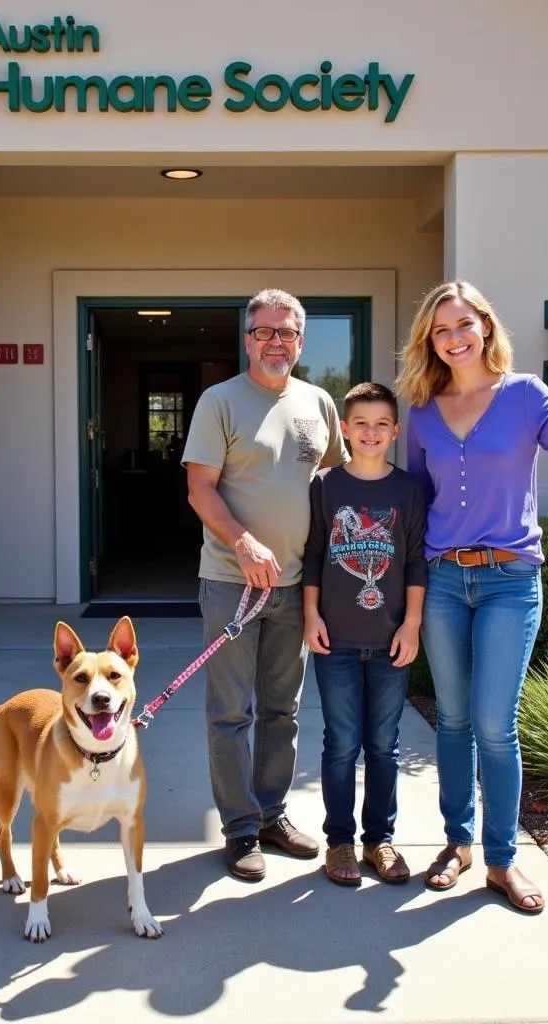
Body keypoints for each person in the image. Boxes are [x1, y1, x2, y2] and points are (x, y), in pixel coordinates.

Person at [395, 280, 548, 915]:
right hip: (442, 579)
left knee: (495, 725)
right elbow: (413, 501)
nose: (454, 337)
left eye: (464, 324)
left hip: (509, 581)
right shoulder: (420, 409)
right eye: (441, 330)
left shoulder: (524, 395)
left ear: (486, 327)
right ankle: (457, 843)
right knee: (454, 719)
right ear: (430, 341)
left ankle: (501, 861)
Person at [182, 287, 348, 881]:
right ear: (248, 339)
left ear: (300, 341)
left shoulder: (318, 402)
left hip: (298, 585)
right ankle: (241, 828)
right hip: (232, 582)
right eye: (265, 332)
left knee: (283, 710)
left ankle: (272, 813)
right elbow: (200, 488)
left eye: (287, 332)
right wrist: (243, 541)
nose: (276, 341)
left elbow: (335, 486)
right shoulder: (219, 402)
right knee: (231, 712)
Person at [302, 381, 426, 887]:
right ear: (344, 431)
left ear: (395, 431)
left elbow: (417, 559)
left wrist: (413, 624)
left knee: (384, 745)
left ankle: (380, 839)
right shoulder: (325, 486)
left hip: (392, 639)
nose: (370, 433)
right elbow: (312, 553)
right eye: (360, 424)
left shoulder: (409, 490)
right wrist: (311, 616)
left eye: (381, 425)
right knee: (340, 744)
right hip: (337, 640)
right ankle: (339, 843)